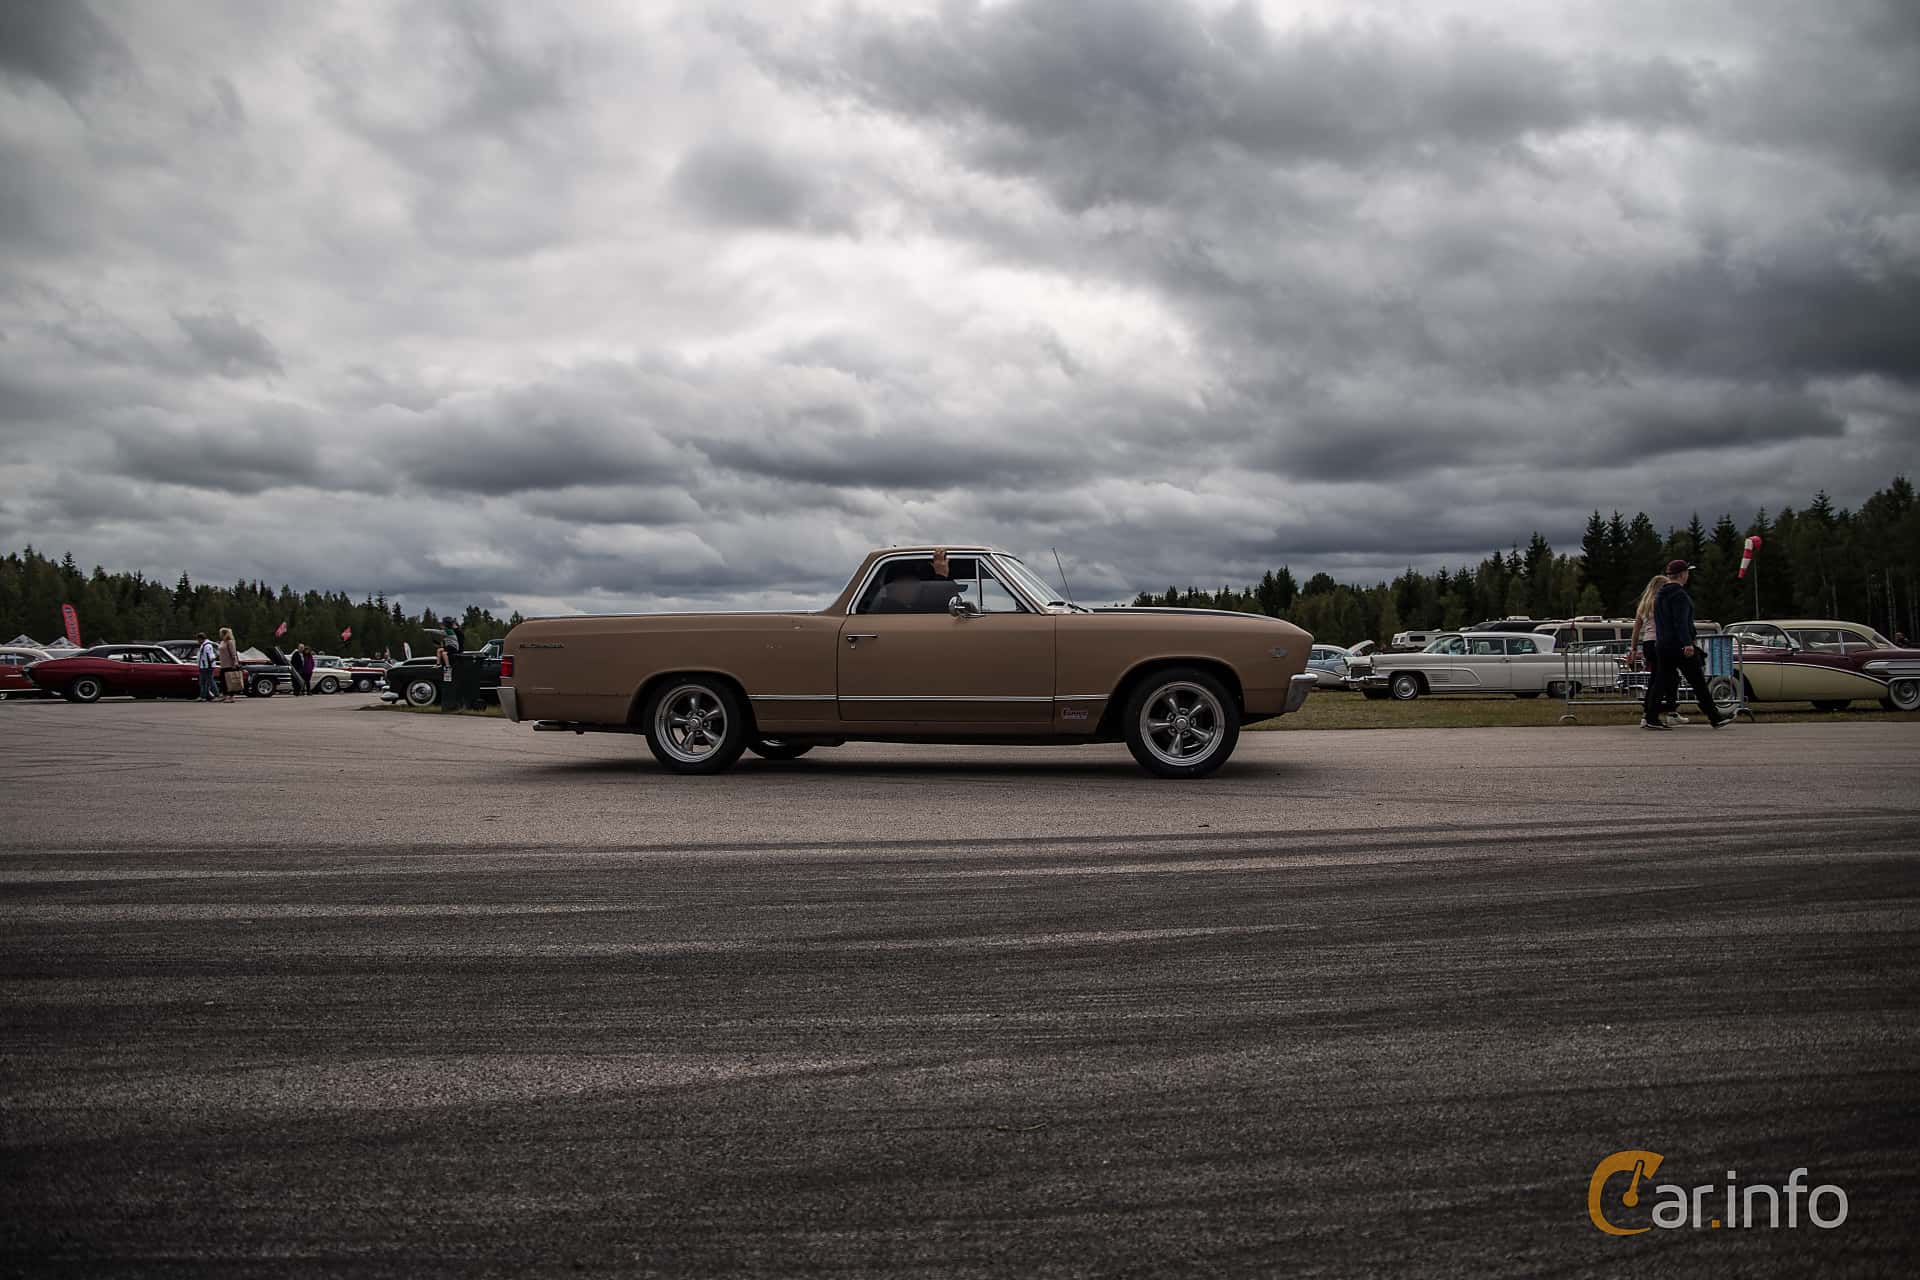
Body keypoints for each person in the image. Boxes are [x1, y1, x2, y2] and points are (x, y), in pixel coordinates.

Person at [1649, 560, 1730, 730]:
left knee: (1661, 680)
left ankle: (1651, 716)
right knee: (1698, 681)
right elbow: (1681, 622)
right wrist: (1687, 643)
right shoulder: (1679, 595)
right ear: (1682, 574)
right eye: (1687, 572)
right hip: (1679, 645)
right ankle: (1714, 716)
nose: (1688, 576)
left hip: (1662, 644)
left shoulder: (1659, 595)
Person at [1627, 574, 1684, 725]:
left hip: (1647, 643)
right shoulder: (1660, 602)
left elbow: (1636, 629)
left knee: (1657, 677)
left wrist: (1633, 648)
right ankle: (1667, 710)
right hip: (1661, 642)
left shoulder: (1643, 604)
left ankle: (1649, 712)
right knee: (1668, 677)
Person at [216, 627, 240, 703]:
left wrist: (235, 662)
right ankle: (225, 695)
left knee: (230, 681)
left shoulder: (230, 642)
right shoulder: (222, 642)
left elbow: (233, 653)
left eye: (221, 633)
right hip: (223, 664)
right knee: (223, 680)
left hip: (229, 664)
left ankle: (231, 696)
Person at [194, 632, 218, 702]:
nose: (197, 641)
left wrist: (208, 665)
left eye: (198, 639)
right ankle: (203, 695)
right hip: (203, 665)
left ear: (201, 639)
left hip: (207, 666)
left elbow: (209, 656)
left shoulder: (207, 646)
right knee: (203, 682)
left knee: (209, 681)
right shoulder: (204, 645)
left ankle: (216, 694)